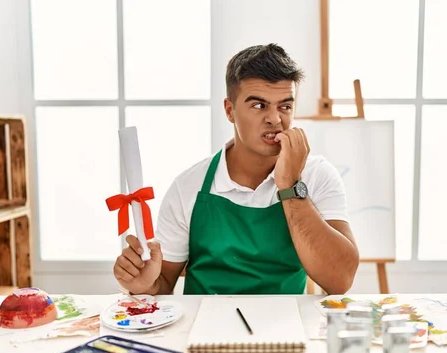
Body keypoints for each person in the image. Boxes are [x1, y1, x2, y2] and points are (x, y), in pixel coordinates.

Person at [113, 43, 359, 295]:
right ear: (230, 111)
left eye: (285, 106)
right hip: (203, 329)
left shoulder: (316, 175)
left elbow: (339, 280)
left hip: (286, 329)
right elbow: (162, 284)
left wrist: (291, 186)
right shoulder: (188, 186)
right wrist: (144, 283)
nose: (275, 119)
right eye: (259, 106)